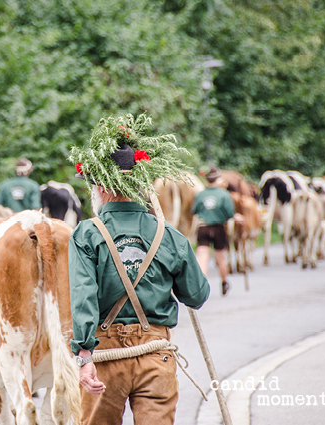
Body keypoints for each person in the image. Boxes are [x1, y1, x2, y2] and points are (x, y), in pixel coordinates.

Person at [68, 115, 210, 425]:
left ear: (102, 185)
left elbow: (83, 299)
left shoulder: (86, 234)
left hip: (104, 361)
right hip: (156, 357)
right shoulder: (168, 234)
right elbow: (197, 295)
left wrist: (83, 357)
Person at [191, 166, 242, 296]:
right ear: (218, 178)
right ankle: (224, 282)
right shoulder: (224, 194)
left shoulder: (200, 194)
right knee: (221, 258)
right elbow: (230, 213)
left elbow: (194, 211)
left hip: (203, 227)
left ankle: (202, 286)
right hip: (219, 228)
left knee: (203, 257)